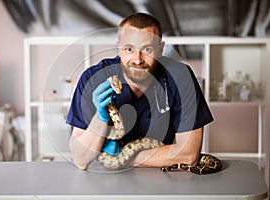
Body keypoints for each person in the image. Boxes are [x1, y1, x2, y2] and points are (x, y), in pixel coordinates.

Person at [66, 13, 213, 170]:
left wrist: (121, 156)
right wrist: (100, 118)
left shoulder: (180, 77)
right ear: (119, 48)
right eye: (129, 49)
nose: (137, 59)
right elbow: (81, 159)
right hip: (106, 182)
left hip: (163, 179)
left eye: (147, 49)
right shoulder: (93, 78)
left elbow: (188, 155)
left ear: (160, 49)